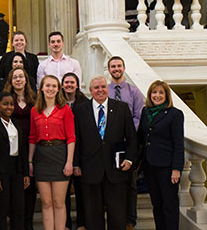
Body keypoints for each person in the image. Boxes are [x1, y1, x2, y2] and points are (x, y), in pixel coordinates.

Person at [73, 75, 138, 230]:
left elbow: (131, 137)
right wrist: (75, 164)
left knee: (117, 215)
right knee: (93, 217)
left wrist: (129, 159)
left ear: (107, 89)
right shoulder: (80, 110)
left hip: (116, 170)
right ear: (90, 90)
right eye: (96, 87)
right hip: (90, 170)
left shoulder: (121, 108)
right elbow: (76, 140)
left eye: (103, 87)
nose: (100, 90)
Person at [29, 75, 75, 230]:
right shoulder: (35, 111)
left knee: (58, 202)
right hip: (41, 157)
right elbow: (32, 138)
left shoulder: (65, 110)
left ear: (58, 89)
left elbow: (71, 138)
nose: (50, 89)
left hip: (60, 155)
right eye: (47, 85)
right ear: (41, 88)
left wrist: (69, 162)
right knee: (46, 202)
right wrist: (30, 161)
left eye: (54, 86)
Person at [138, 80, 184, 230]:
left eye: (160, 93)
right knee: (156, 204)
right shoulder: (146, 112)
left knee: (169, 206)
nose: (157, 95)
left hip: (167, 167)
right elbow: (141, 138)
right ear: (150, 95)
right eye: (154, 92)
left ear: (166, 96)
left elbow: (178, 144)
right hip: (150, 166)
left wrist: (176, 168)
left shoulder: (175, 114)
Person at [107, 56, 144, 230]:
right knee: (113, 182)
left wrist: (127, 131)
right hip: (110, 144)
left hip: (130, 142)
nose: (116, 69)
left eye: (119, 66)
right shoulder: (105, 91)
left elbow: (138, 116)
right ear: (109, 70)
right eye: (113, 66)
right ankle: (115, 218)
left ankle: (130, 220)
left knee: (131, 183)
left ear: (124, 67)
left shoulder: (133, 91)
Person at [0, 91, 30, 230]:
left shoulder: (17, 124)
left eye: (12, 104)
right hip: (1, 172)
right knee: (2, 208)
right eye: (5, 104)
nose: (9, 107)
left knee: (19, 207)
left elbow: (22, 150)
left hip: (17, 170)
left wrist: (25, 173)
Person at [3, 67, 36, 230]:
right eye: (14, 77)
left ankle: (28, 223)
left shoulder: (34, 98)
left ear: (26, 80)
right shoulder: (7, 99)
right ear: (11, 80)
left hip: (32, 145)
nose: (18, 79)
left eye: (21, 76)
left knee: (30, 187)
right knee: (16, 188)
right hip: (13, 147)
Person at [61, 72, 88, 230]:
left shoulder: (84, 103)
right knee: (63, 193)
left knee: (81, 192)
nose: (69, 85)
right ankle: (65, 224)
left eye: (72, 82)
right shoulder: (57, 103)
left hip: (80, 151)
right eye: (66, 82)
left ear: (77, 85)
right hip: (61, 151)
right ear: (62, 85)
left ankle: (82, 224)